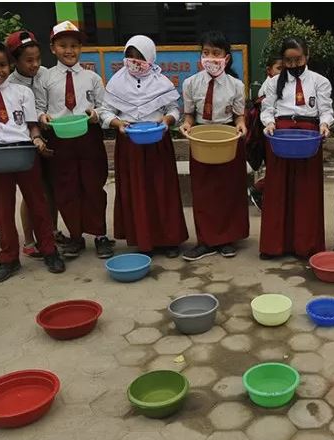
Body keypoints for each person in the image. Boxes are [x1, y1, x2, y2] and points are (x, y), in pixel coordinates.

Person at [0, 40, 65, 282]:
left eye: (2, 65)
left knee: (38, 205)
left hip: (24, 154)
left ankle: (49, 250)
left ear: (10, 66)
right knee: (2, 211)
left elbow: (32, 128)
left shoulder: (22, 93)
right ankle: (8, 258)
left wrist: (38, 141)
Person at [98, 35, 188, 257]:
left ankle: (169, 240)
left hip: (158, 143)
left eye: (140, 57)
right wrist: (118, 123)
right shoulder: (116, 82)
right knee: (136, 191)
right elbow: (105, 111)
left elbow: (174, 110)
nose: (135, 62)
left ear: (151, 57)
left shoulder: (162, 83)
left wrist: (166, 121)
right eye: (130, 56)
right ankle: (143, 240)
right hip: (130, 143)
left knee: (162, 190)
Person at [36, 21, 114, 259]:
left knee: (93, 185)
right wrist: (43, 117)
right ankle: (75, 235)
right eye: (63, 45)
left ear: (81, 48)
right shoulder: (46, 78)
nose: (69, 51)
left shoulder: (91, 77)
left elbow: (104, 105)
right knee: (65, 187)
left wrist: (96, 114)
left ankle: (100, 235)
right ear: (52, 48)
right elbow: (39, 107)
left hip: (88, 136)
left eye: (74, 45)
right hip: (59, 138)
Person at [260, 37, 333, 259]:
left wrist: (324, 125)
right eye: (288, 61)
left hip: (308, 137)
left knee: (306, 191)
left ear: (306, 56)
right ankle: (275, 245)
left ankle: (306, 245)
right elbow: (267, 109)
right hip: (281, 137)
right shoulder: (273, 82)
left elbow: (326, 110)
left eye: (298, 59)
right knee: (277, 191)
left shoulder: (320, 81)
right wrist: (269, 123)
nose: (293, 65)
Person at [179, 31, 248, 261]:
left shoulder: (236, 85)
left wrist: (241, 126)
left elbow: (239, 117)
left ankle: (226, 239)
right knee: (203, 191)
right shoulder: (190, 83)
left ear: (226, 58)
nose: (210, 58)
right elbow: (189, 116)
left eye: (216, 53)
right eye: (206, 53)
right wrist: (186, 126)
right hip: (201, 138)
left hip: (228, 138)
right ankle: (205, 241)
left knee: (228, 190)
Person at [5, 30, 70, 258]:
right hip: (26, 141)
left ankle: (51, 231)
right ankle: (30, 239)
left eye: (38, 59)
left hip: (50, 136)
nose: (34, 65)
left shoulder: (46, 74)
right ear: (15, 60)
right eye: (28, 60)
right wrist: (34, 136)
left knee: (51, 187)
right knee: (32, 191)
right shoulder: (9, 83)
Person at [247, 53, 284, 210]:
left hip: (277, 133)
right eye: (279, 68)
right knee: (278, 169)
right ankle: (258, 189)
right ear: (269, 70)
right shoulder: (269, 86)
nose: (282, 72)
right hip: (269, 132)